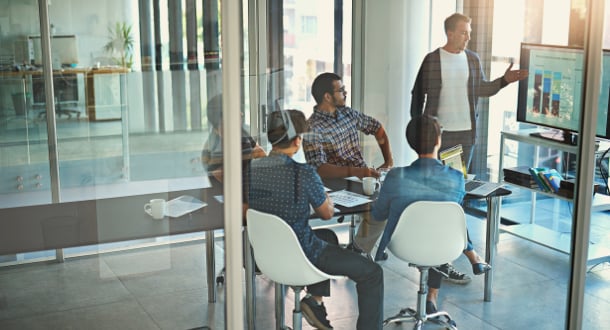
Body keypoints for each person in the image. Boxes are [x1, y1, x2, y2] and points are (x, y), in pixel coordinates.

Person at [410, 12, 527, 283]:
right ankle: (444, 258)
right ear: (450, 33)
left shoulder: (472, 59)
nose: (469, 37)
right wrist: (419, 134)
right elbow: (417, 98)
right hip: (438, 139)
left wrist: (504, 81)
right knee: (440, 199)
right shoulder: (432, 60)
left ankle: (445, 259)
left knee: (454, 198)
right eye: (464, 32)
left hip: (464, 138)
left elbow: (483, 90)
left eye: (469, 32)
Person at [249, 109, 384, 330]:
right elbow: (326, 213)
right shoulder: (304, 173)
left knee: (327, 236)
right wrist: (324, 194)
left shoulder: (251, 169)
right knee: (372, 273)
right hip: (302, 253)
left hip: (265, 254)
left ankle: (315, 303)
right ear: (297, 140)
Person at [370, 114, 490, 317]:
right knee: (439, 229)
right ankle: (436, 292)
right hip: (443, 244)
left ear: (410, 142)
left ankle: (431, 297)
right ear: (438, 140)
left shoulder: (395, 176)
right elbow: (453, 220)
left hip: (404, 245)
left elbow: (378, 214)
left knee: (434, 228)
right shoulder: (456, 178)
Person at [304, 72, 394, 257]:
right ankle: (360, 251)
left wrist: (388, 161)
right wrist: (358, 172)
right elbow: (319, 168)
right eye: (341, 90)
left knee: (386, 208)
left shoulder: (348, 113)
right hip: (334, 186)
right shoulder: (312, 127)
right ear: (327, 96)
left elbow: (377, 128)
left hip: (361, 178)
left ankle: (358, 249)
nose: (345, 93)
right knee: (379, 212)